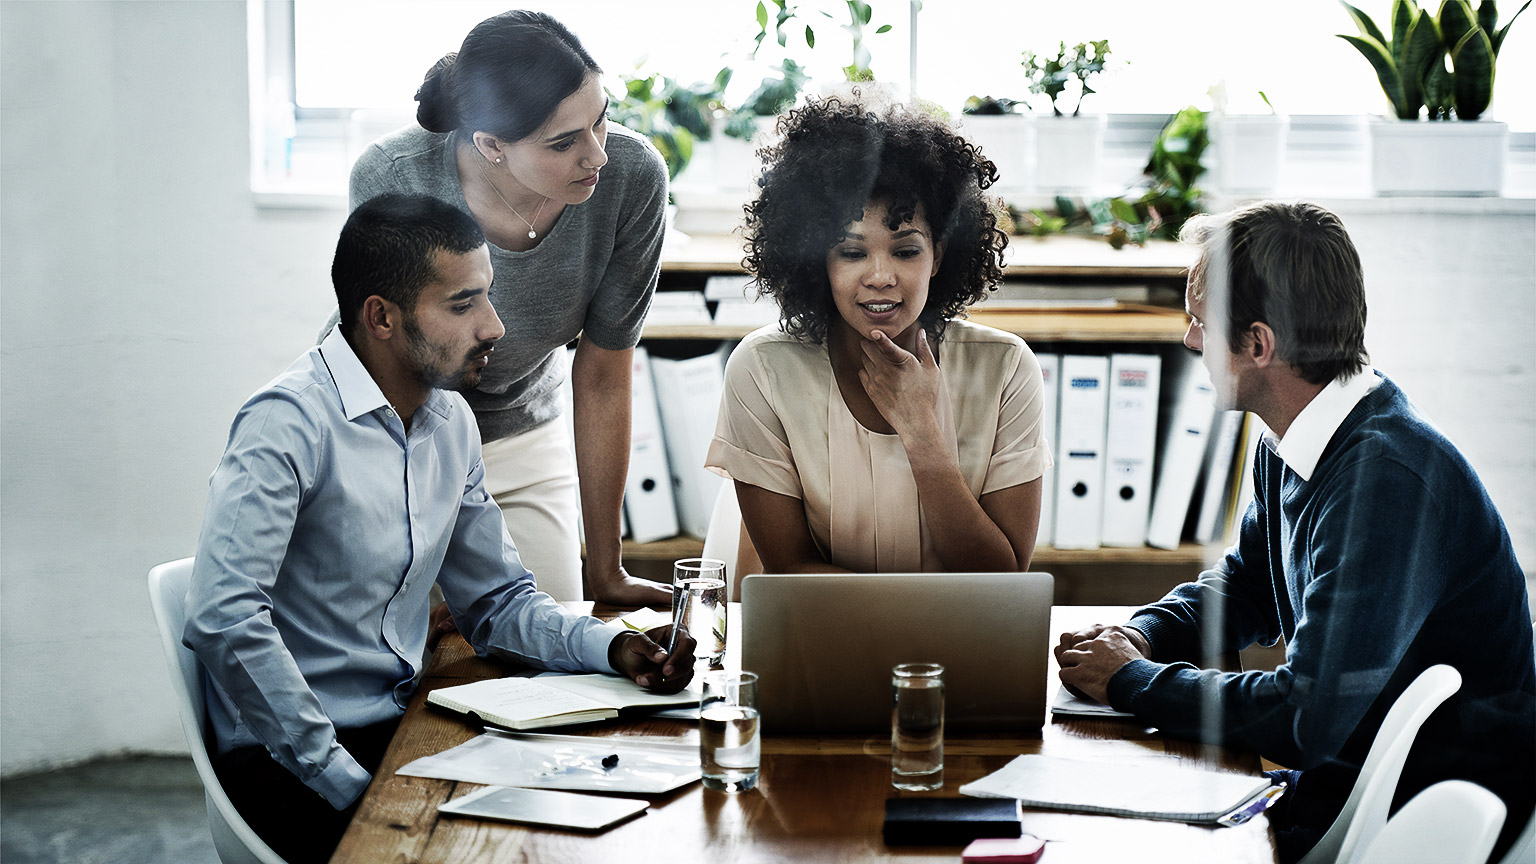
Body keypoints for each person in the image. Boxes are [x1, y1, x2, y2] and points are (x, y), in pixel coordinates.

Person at [184, 194, 694, 864]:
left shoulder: (449, 422)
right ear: (382, 318)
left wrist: (613, 650)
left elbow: (498, 601)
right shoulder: (285, 424)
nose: (494, 326)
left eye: (487, 297)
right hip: (295, 759)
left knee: (596, 819)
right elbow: (224, 617)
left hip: (402, 728)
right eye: (462, 304)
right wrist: (345, 783)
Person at [1055, 201, 1534, 863]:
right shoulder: (1300, 438)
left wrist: (1132, 679)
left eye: (1199, 321)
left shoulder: (1386, 480)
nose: (1189, 340)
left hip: (1409, 810)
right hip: (1346, 779)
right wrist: (1143, 633)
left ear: (1258, 344)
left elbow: (1305, 716)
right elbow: (1249, 586)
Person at [334, 10, 671, 605]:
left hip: (522, 433)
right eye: (564, 142)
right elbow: (390, 361)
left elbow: (603, 375)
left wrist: (609, 569)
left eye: (601, 120)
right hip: (397, 429)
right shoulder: (395, 176)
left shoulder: (631, 179)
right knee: (414, 654)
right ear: (490, 144)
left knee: (548, 641)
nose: (597, 156)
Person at [705, 97, 1050, 581]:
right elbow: (788, 571)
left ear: (939, 254)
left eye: (906, 250)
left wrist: (923, 438)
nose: (881, 277)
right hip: (817, 636)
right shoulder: (763, 369)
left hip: (960, 640)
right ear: (817, 260)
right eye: (851, 252)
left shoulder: (1006, 368)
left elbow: (1003, 577)